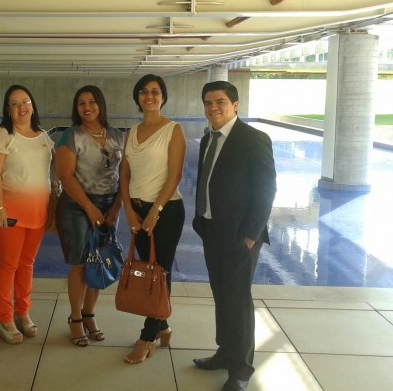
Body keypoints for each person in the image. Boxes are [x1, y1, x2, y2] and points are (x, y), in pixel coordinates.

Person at [192, 81, 277, 391]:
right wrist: (201, 220)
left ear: (236, 104)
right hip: (212, 230)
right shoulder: (207, 139)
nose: (212, 107)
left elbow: (266, 190)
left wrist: (251, 235)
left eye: (220, 101)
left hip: (241, 236)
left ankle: (240, 370)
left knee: (238, 300)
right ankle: (224, 352)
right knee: (221, 295)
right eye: (207, 102)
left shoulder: (253, 139)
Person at [119, 74, 186, 364]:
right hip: (138, 209)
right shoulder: (131, 132)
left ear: (163, 97)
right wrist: (130, 212)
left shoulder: (173, 129)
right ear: (137, 97)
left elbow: (175, 175)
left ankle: (148, 336)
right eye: (144, 91)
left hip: (166, 211)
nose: (149, 96)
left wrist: (155, 212)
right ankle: (164, 326)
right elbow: (124, 175)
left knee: (159, 273)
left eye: (155, 91)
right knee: (147, 270)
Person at [55, 85, 124, 347]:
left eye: (92, 101)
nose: (87, 107)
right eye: (81, 102)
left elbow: (123, 177)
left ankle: (89, 315)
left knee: (100, 260)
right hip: (76, 205)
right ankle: (75, 318)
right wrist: (90, 208)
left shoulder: (118, 136)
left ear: (101, 105)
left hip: (108, 206)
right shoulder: (70, 136)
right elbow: (65, 176)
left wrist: (115, 207)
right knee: (82, 263)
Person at [0, 85, 54, 344]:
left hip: (38, 211)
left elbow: (48, 173)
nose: (21, 107)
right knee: (8, 264)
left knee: (27, 264)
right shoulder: (2, 135)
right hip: (9, 213)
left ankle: (22, 312)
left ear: (32, 105)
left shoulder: (44, 136)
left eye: (25, 101)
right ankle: (4, 316)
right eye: (14, 104)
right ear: (8, 110)